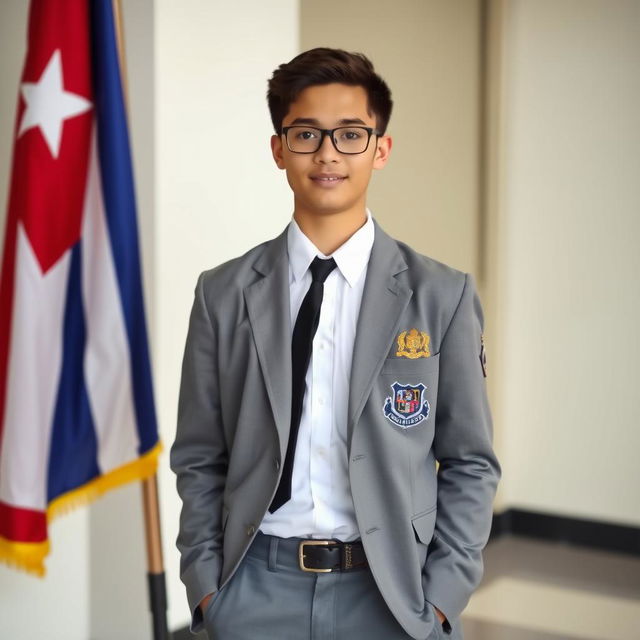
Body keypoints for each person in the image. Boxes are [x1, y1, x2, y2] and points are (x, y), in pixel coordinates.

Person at [170, 47, 500, 640]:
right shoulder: (223, 293)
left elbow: (470, 461)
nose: (327, 154)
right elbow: (198, 454)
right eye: (306, 134)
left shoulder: (440, 295)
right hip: (252, 588)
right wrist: (207, 586)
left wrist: (444, 598)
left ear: (381, 148)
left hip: (390, 595)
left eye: (350, 134)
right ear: (279, 149)